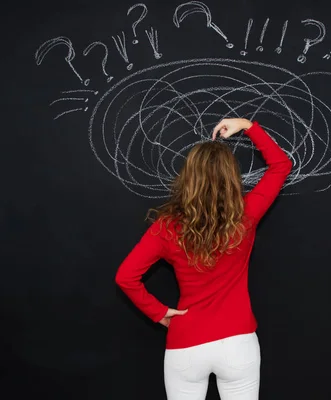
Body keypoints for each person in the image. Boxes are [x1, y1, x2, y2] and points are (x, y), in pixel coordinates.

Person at [115, 118, 292, 400]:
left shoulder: (166, 228)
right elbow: (282, 166)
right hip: (238, 343)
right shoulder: (245, 216)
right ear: (232, 175)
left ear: (188, 176)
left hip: (186, 345)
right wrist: (248, 125)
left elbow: (125, 277)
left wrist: (159, 313)